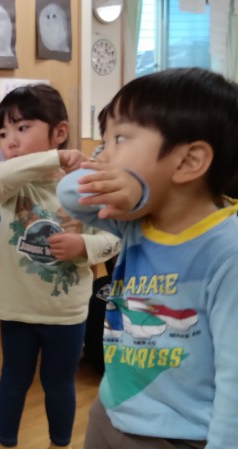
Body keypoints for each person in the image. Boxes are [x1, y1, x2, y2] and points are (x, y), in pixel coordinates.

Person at [57, 67, 238, 449]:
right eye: (103, 142)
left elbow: (234, 378)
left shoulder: (226, 252)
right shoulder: (137, 222)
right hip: (110, 409)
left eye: (119, 138)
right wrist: (136, 192)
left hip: (177, 435)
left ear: (188, 162)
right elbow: (70, 193)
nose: (102, 156)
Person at [0, 84, 119, 449]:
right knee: (13, 380)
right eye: (3, 134)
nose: (11, 141)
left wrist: (83, 245)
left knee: (59, 384)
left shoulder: (85, 187)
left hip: (66, 313)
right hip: (17, 309)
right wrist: (54, 158)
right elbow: (0, 176)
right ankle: (5, 443)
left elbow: (113, 239)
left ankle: (60, 443)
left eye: (22, 127)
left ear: (59, 132)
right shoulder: (13, 188)